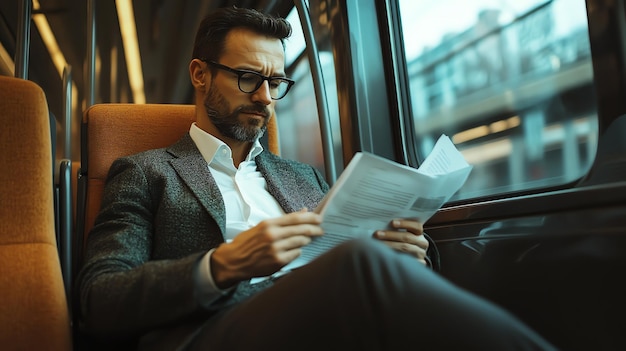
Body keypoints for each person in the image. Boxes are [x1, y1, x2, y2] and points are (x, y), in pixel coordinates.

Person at [76, 6, 557, 351]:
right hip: (210, 331)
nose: (265, 98)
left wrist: (410, 255)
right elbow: (100, 300)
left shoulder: (303, 176)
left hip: (327, 315)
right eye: (248, 78)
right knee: (360, 266)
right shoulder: (145, 172)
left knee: (371, 262)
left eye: (277, 82)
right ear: (200, 75)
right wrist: (221, 266)